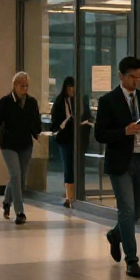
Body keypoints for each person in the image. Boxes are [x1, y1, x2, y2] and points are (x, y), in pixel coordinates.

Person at [95, 56, 140, 279]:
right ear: (121, 76)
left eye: (139, 77)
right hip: (120, 161)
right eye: (132, 77)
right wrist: (124, 131)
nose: (136, 81)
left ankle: (115, 234)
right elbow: (100, 134)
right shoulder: (108, 101)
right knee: (127, 209)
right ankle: (131, 259)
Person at [0, 72, 43, 224]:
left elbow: (36, 122)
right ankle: (20, 211)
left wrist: (36, 131)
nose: (24, 89)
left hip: (25, 144)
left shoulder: (32, 102)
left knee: (19, 177)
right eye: (22, 86)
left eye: (26, 86)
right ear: (15, 85)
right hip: (9, 145)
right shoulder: (5, 102)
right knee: (15, 174)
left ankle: (6, 201)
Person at [50, 77, 77, 208]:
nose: (72, 90)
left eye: (73, 87)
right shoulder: (60, 102)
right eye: (69, 88)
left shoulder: (78, 101)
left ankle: (75, 195)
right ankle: (69, 196)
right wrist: (63, 124)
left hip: (77, 138)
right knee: (68, 166)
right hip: (64, 138)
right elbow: (54, 121)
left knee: (76, 166)